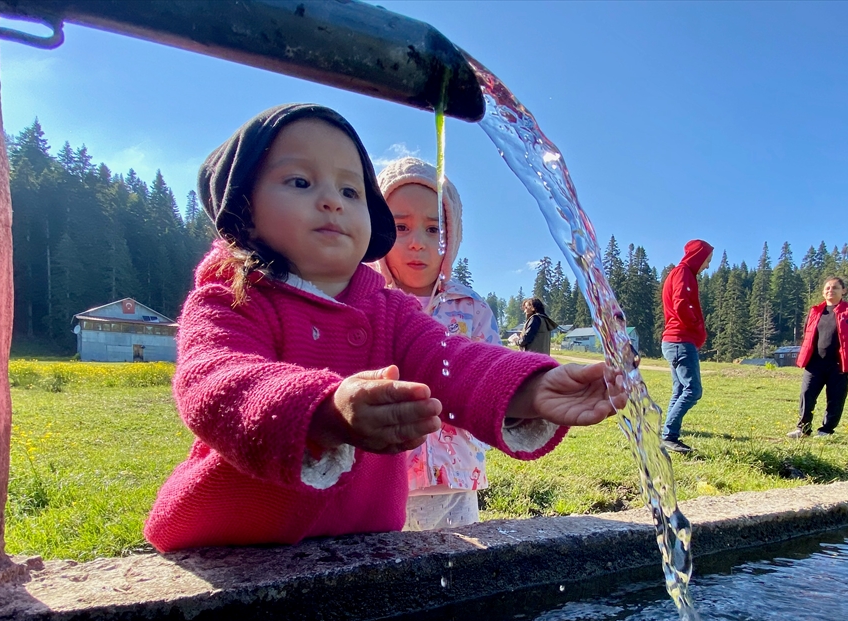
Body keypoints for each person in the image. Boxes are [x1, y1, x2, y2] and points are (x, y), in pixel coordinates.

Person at [144, 104, 624, 552]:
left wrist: (530, 386)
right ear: (243, 210)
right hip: (230, 547)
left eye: (350, 190)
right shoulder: (232, 296)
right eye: (299, 181)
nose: (331, 200)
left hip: (363, 546)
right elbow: (215, 381)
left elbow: (452, 359)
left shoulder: (388, 311)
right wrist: (324, 411)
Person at [371, 156, 498, 530]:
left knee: (458, 574)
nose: (417, 243)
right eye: (401, 227)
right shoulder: (366, 301)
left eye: (432, 229)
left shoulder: (471, 308)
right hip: (383, 476)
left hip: (456, 474)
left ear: (452, 236)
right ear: (377, 229)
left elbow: (490, 380)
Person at [787, 275, 848, 439]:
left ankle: (826, 430)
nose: (830, 290)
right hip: (815, 363)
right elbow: (807, 333)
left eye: (835, 287)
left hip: (839, 364)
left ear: (843, 291)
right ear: (823, 292)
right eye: (827, 288)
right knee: (806, 394)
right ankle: (803, 429)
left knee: (835, 398)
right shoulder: (815, 311)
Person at [659, 239, 713, 453]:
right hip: (681, 340)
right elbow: (681, 303)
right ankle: (669, 435)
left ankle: (667, 433)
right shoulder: (683, 273)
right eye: (707, 260)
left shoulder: (680, 273)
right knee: (693, 390)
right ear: (698, 257)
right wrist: (696, 323)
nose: (707, 265)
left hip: (674, 341)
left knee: (680, 389)